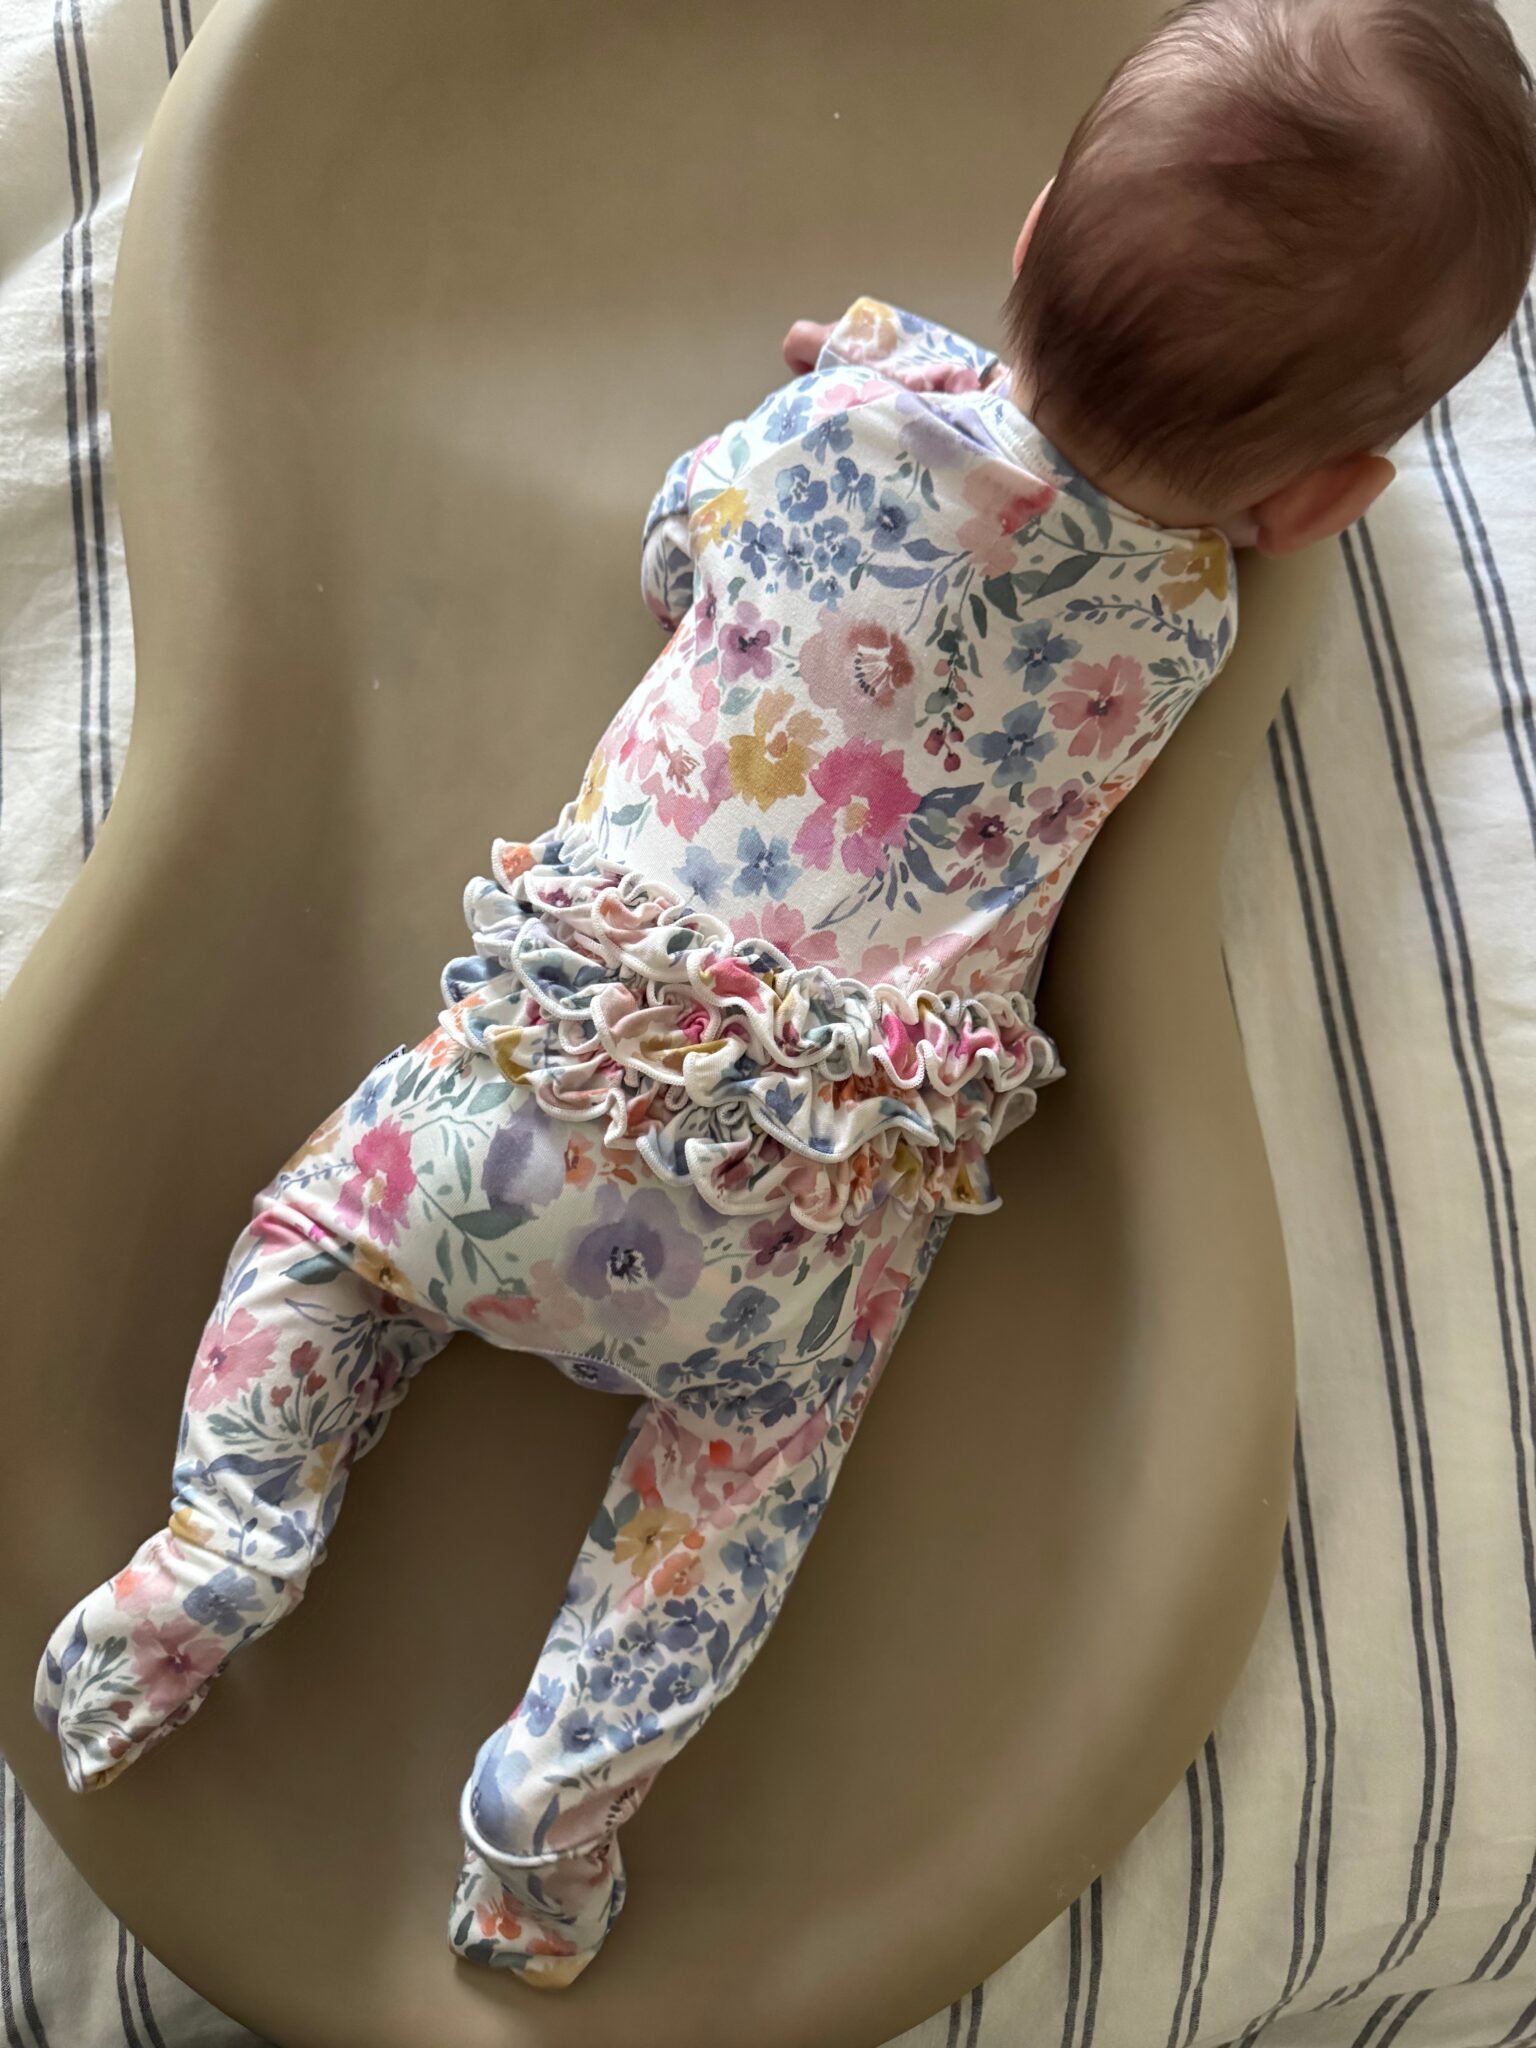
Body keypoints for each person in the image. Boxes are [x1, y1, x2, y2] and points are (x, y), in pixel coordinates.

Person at [35, 0, 1536, 1991]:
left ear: (1024, 236)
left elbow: (682, 543)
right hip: (797, 1220)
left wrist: (872, 387)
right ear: (1327, 501)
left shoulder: (839, 431)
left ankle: (229, 1534)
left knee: (324, 1247)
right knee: (729, 1508)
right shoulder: (1187, 627)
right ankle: (550, 1813)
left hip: (556, 1077)